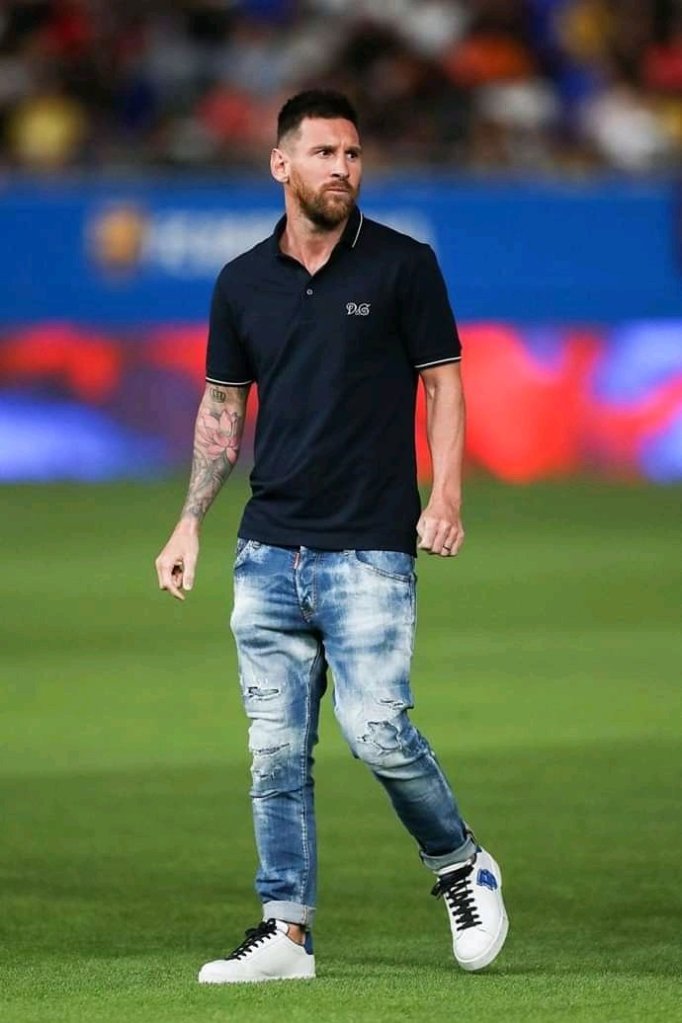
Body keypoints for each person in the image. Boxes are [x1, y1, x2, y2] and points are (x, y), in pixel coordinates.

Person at [155, 89, 509, 984]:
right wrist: (190, 520)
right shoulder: (241, 281)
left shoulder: (401, 265)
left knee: (379, 731)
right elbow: (223, 406)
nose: (342, 168)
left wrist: (447, 493)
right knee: (274, 752)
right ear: (281, 164)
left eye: (352, 153)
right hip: (267, 549)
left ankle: (461, 863)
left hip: (370, 548)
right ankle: (286, 931)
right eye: (323, 153)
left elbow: (445, 384)